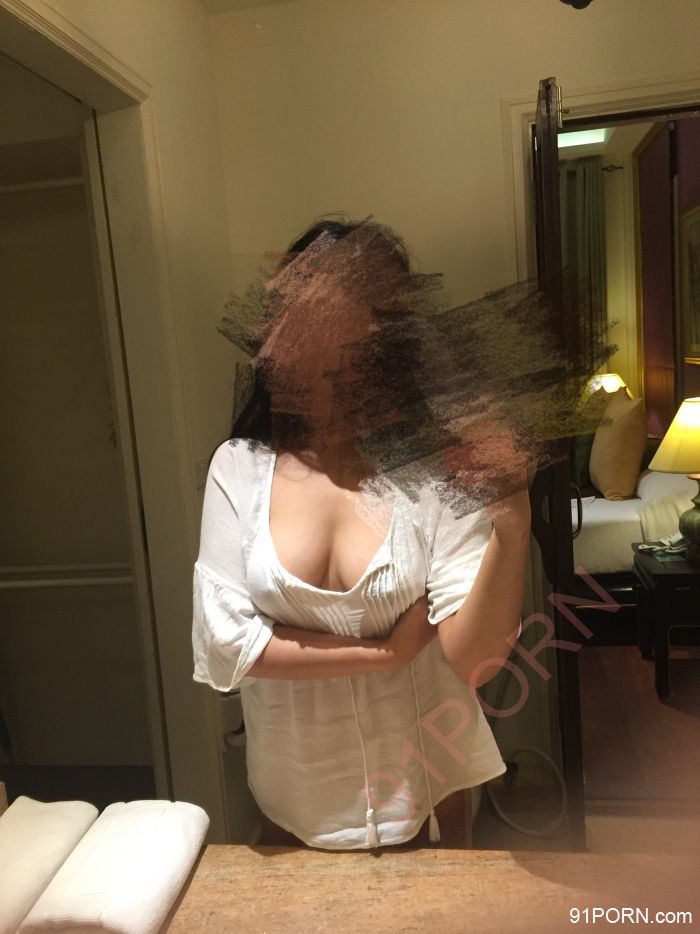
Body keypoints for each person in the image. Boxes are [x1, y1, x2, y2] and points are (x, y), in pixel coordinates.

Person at [192, 216, 530, 851]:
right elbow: (227, 645)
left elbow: (475, 661)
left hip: (428, 802)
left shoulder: (432, 469)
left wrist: (513, 526)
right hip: (290, 804)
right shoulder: (238, 467)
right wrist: (388, 653)